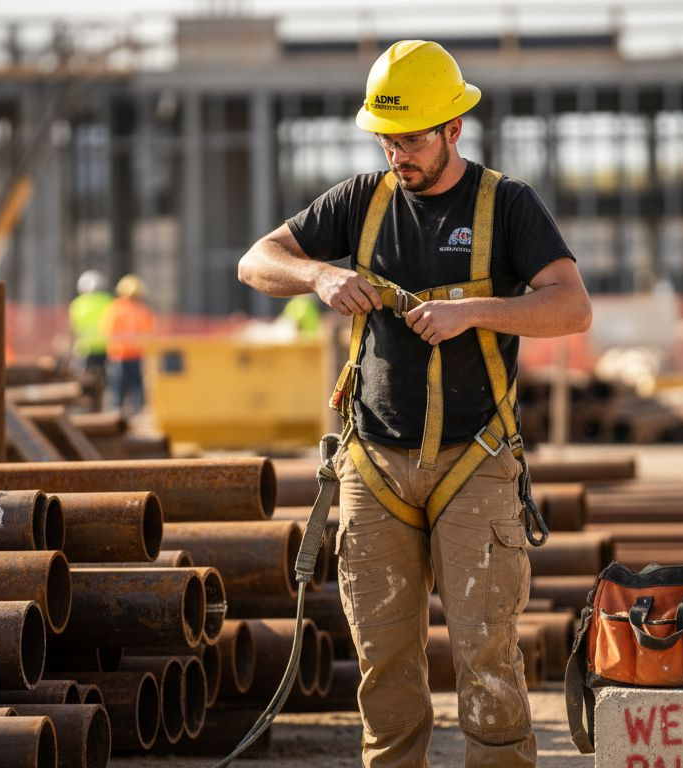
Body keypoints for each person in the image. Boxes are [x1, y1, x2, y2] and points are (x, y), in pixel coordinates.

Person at [237, 40, 592, 768]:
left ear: (453, 130)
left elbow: (572, 307)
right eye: (387, 138)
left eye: (411, 138)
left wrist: (477, 312)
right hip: (375, 467)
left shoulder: (507, 206)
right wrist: (317, 278)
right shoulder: (359, 203)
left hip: (477, 461)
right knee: (384, 666)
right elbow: (256, 259)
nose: (397, 152)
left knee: (487, 661)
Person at [98, 273, 156, 416]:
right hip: (120, 355)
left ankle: (136, 412)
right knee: (118, 387)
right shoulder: (116, 309)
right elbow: (107, 330)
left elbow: (148, 332)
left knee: (136, 388)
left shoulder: (139, 310)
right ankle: (116, 412)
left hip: (135, 354)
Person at [69, 269, 113, 409]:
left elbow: (73, 328)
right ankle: (102, 406)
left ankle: (85, 406)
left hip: (85, 348)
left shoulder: (77, 304)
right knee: (105, 380)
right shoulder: (108, 301)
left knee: (85, 380)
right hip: (105, 347)